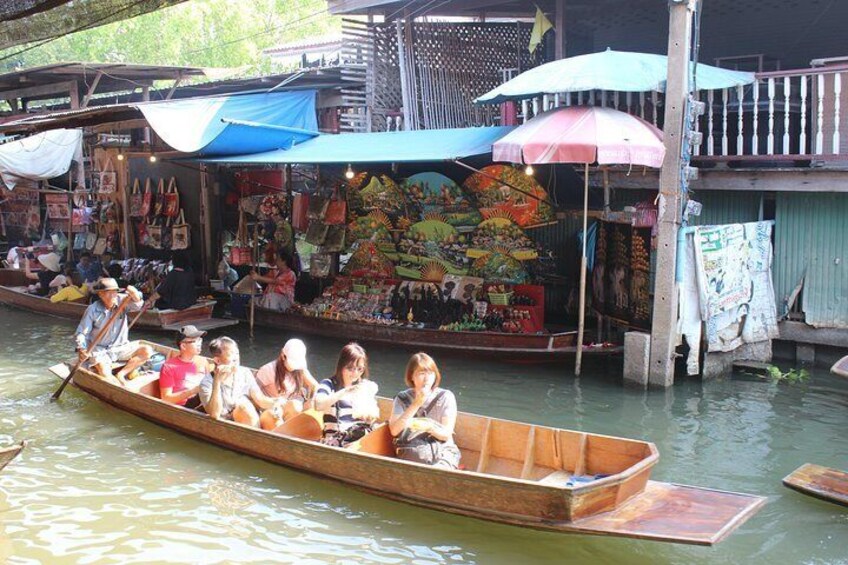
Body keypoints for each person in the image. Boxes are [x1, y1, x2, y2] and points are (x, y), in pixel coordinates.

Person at [389, 352, 461, 469]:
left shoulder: (445, 397)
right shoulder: (402, 398)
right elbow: (394, 430)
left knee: (438, 471)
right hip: (413, 451)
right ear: (411, 376)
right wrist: (416, 403)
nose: (427, 378)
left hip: (442, 450)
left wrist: (427, 427)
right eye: (422, 373)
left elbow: (446, 434)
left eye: (431, 373)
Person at [74, 278, 153, 381]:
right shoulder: (92, 309)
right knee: (104, 371)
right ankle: (120, 388)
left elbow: (138, 305)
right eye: (108, 293)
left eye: (114, 292)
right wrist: (81, 348)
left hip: (121, 347)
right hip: (100, 350)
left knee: (146, 350)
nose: (113, 296)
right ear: (100, 294)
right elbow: (82, 333)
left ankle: (121, 374)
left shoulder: (123, 300)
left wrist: (134, 294)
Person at [313, 343, 380, 447]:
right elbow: (318, 405)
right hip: (335, 439)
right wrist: (345, 391)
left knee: (377, 429)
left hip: (357, 437)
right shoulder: (328, 384)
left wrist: (368, 417)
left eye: (360, 369)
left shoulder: (363, 386)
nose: (355, 373)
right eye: (350, 368)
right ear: (341, 366)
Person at [199, 337, 273, 426]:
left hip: (250, 420)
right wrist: (217, 381)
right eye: (231, 355)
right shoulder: (206, 383)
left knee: (274, 415)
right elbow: (214, 414)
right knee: (243, 407)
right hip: (228, 425)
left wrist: (278, 403)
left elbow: (260, 399)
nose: (236, 358)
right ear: (217, 360)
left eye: (237, 353)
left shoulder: (245, 373)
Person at [254, 338, 319, 430]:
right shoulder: (267, 370)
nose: (294, 368)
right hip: (272, 411)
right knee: (294, 406)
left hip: (290, 410)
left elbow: (315, 386)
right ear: (283, 356)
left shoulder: (300, 370)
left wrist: (311, 399)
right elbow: (253, 393)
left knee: (301, 405)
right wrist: (272, 401)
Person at [159, 325, 211, 409]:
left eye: (200, 340)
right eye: (195, 341)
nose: (199, 343)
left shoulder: (203, 361)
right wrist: (193, 391)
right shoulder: (169, 367)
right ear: (183, 346)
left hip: (204, 402)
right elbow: (166, 399)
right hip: (185, 407)